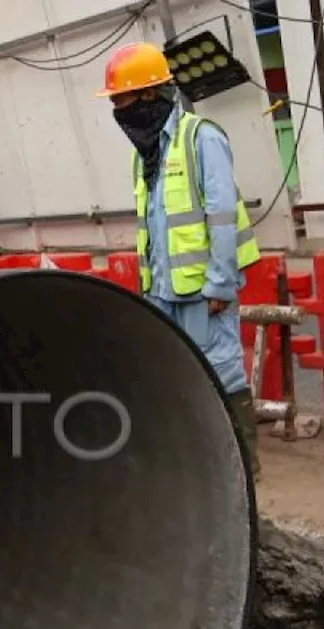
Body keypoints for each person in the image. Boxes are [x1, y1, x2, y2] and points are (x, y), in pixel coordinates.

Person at [97, 42, 261, 475]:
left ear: (150, 95)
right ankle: (203, 462)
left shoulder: (201, 137)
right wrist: (149, 290)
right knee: (177, 372)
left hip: (204, 291)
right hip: (165, 291)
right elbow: (152, 229)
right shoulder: (145, 156)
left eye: (121, 99)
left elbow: (222, 216)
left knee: (222, 371)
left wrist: (221, 284)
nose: (117, 110)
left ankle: (243, 467)